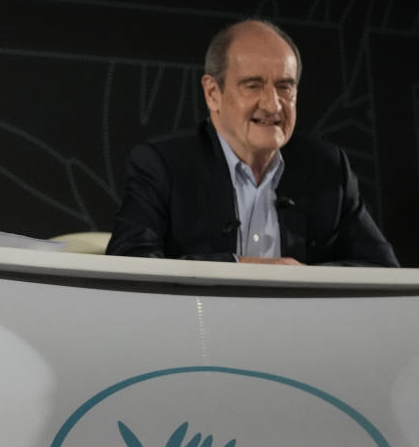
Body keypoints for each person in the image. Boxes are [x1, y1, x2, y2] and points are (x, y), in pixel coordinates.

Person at [106, 19, 398, 267]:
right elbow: (130, 260)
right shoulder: (163, 165)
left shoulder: (327, 169)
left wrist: (305, 281)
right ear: (212, 93)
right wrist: (242, 267)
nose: (273, 106)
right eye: (253, 85)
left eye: (285, 87)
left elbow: (381, 271)